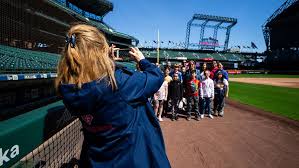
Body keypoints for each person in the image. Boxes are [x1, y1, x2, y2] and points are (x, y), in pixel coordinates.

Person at [55, 24, 171, 168]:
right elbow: (156, 76)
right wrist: (142, 60)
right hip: (130, 160)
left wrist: (107, 61)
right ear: (100, 51)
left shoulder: (67, 88)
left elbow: (94, 81)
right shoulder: (120, 83)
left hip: (96, 159)